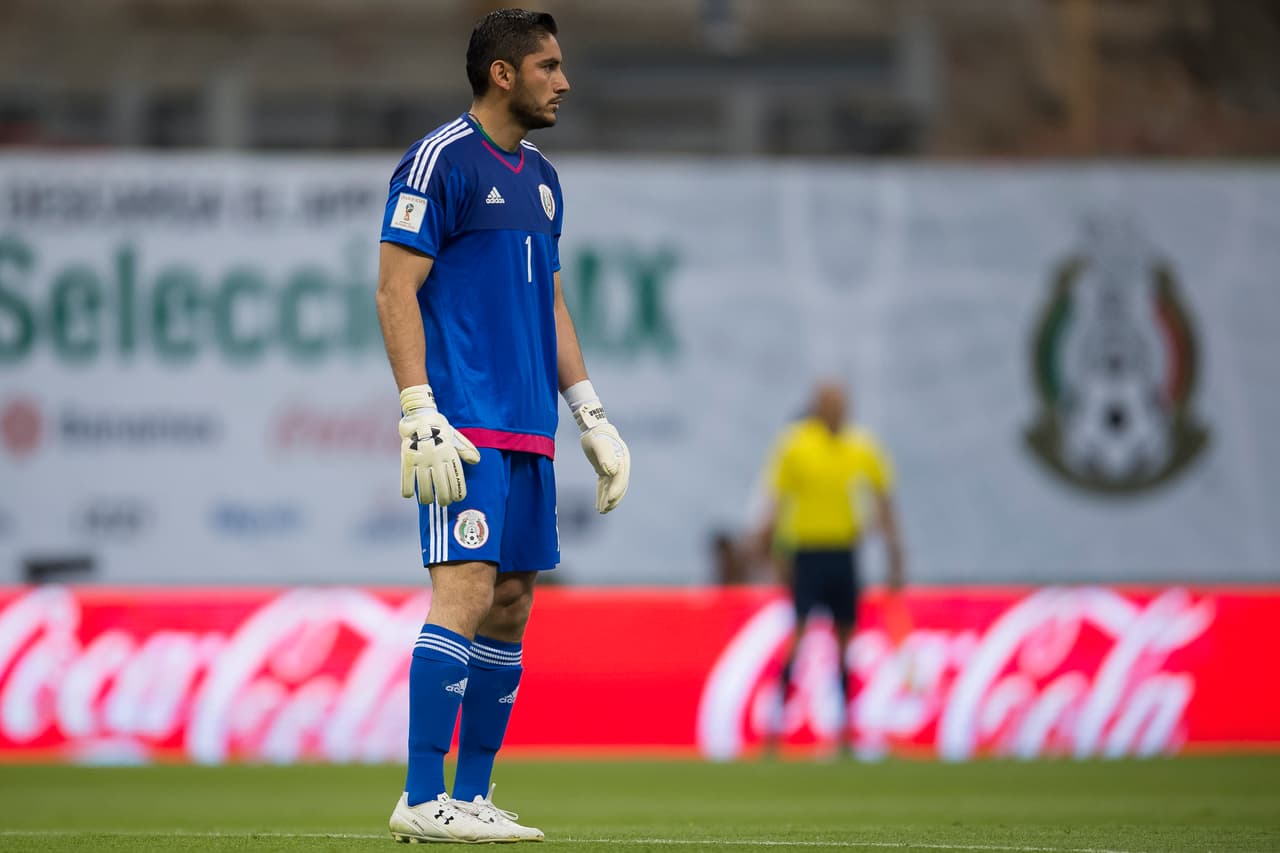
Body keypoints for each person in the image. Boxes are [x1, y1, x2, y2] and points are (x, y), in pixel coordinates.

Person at [374, 9, 630, 843]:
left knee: (513, 601)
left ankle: (472, 795)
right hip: (467, 425)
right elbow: (393, 288)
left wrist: (588, 411)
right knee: (465, 589)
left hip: (529, 429)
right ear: (503, 74)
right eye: (549, 66)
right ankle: (420, 795)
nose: (564, 80)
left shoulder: (546, 180)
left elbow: (550, 300)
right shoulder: (438, 161)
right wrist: (419, 409)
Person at [752, 381, 904, 753]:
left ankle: (847, 729)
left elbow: (883, 501)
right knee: (799, 636)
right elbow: (777, 501)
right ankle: (776, 725)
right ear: (817, 407)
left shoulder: (862, 447)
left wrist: (895, 551)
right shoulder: (796, 445)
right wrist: (771, 550)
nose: (835, 410)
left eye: (840, 404)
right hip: (807, 551)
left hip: (844, 551)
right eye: (828, 404)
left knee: (845, 641)